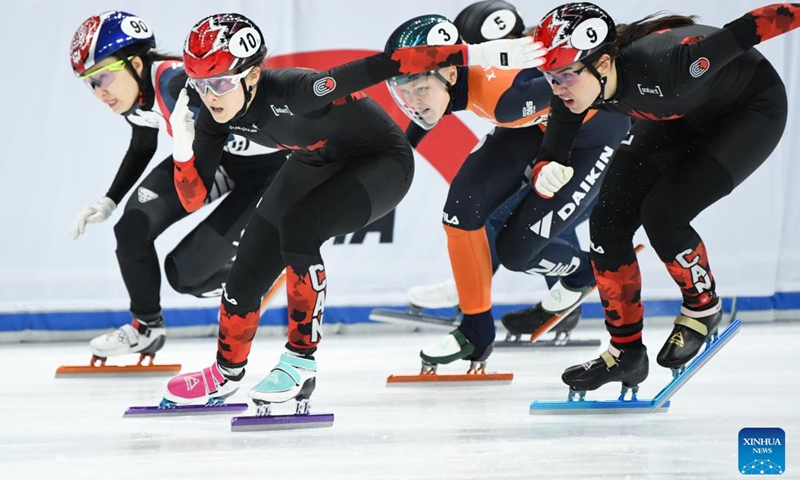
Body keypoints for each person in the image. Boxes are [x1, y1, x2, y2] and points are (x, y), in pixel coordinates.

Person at [161, 12, 543, 408]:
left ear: (253, 75)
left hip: (381, 162)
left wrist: (478, 53)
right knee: (252, 254)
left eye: (221, 83)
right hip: (316, 158)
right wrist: (183, 147)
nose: (211, 95)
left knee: (299, 227)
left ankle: (299, 362)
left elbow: (386, 63)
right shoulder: (206, 113)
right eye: (201, 84)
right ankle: (225, 371)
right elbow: (192, 198)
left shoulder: (298, 91)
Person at [530, 2, 797, 394]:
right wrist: (543, 172)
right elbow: (550, 154)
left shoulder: (671, 66)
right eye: (549, 77)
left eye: (565, 76)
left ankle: (702, 309)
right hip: (679, 116)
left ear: (603, 64)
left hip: (750, 112)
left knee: (663, 213)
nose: (556, 89)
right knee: (607, 222)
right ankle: (625, 353)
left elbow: (750, 28)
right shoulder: (576, 85)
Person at [384, 14, 630, 371]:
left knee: (516, 251)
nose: (414, 102)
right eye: (403, 91)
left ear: (451, 74)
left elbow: (590, 82)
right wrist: (401, 150)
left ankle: (583, 270)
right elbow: (430, 108)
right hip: (531, 127)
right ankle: (476, 332)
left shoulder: (506, 98)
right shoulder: (463, 80)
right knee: (459, 214)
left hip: (590, 137)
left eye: (419, 89)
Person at [68, 11, 287, 365]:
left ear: (136, 63)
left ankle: (267, 268)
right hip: (216, 160)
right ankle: (146, 328)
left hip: (268, 171)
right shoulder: (135, 92)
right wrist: (110, 200)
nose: (99, 91)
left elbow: (269, 101)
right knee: (132, 227)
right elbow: (143, 142)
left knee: (187, 276)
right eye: (89, 83)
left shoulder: (178, 84)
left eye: (102, 76)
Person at [403, 0, 596, 339]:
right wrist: (400, 152)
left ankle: (575, 282)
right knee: (486, 208)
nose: (473, 66)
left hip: (594, 143)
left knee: (528, 217)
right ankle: (490, 289)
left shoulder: (526, 79)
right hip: (539, 132)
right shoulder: (496, 78)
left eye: (481, 55)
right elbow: (438, 102)